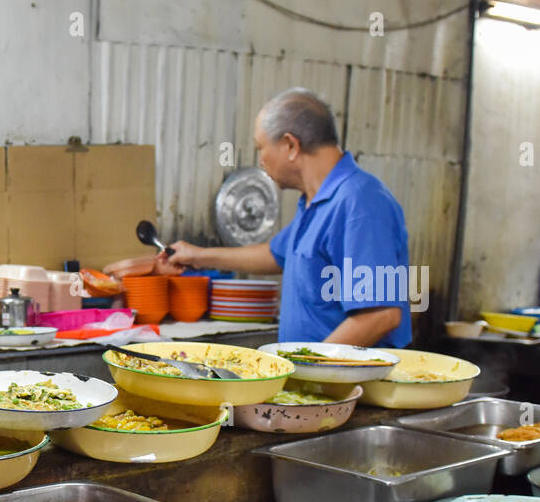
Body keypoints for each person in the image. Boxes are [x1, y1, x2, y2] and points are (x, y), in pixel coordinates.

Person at [159, 88, 413, 348]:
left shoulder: (360, 203)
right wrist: (198, 256)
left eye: (261, 147)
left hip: (352, 385)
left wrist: (304, 368)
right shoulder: (315, 201)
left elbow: (381, 316)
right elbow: (277, 254)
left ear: (291, 146)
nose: (260, 161)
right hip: (318, 379)